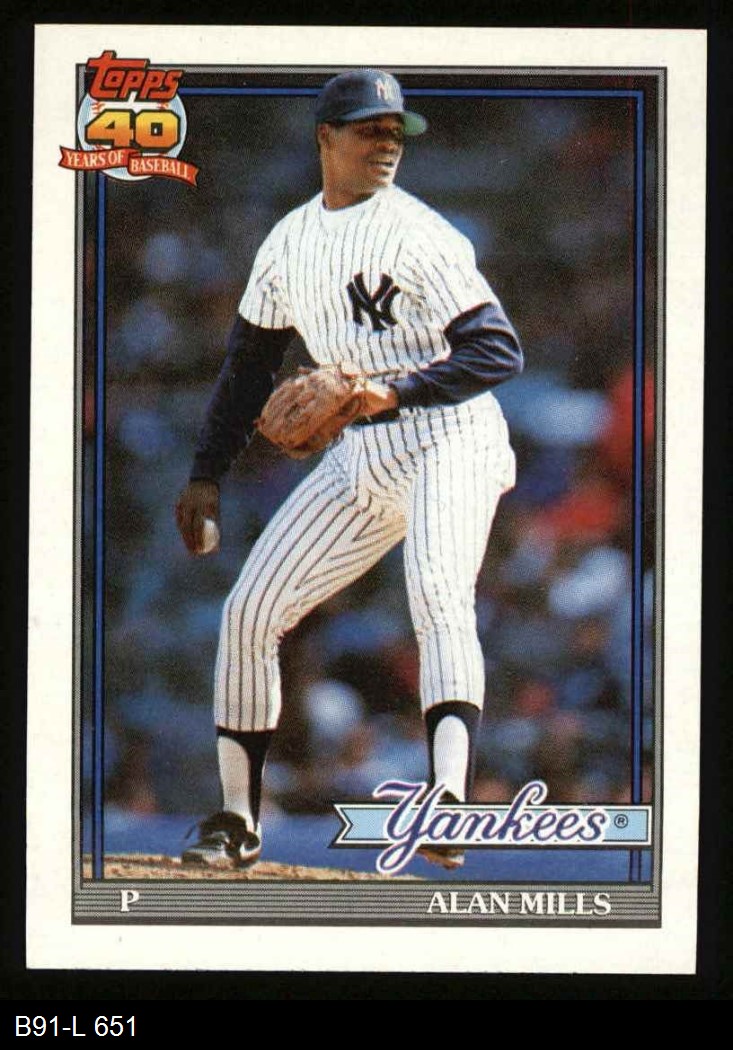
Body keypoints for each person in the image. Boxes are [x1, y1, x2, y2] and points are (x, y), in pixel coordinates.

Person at [175, 69, 523, 870]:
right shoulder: (287, 242)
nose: (386, 143)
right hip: (362, 452)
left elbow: (497, 349)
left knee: (436, 590)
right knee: (248, 611)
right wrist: (205, 472)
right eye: (370, 129)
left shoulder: (419, 234)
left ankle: (448, 802)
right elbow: (248, 366)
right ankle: (236, 820)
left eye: (395, 132)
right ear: (324, 139)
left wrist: (391, 390)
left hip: (450, 436)